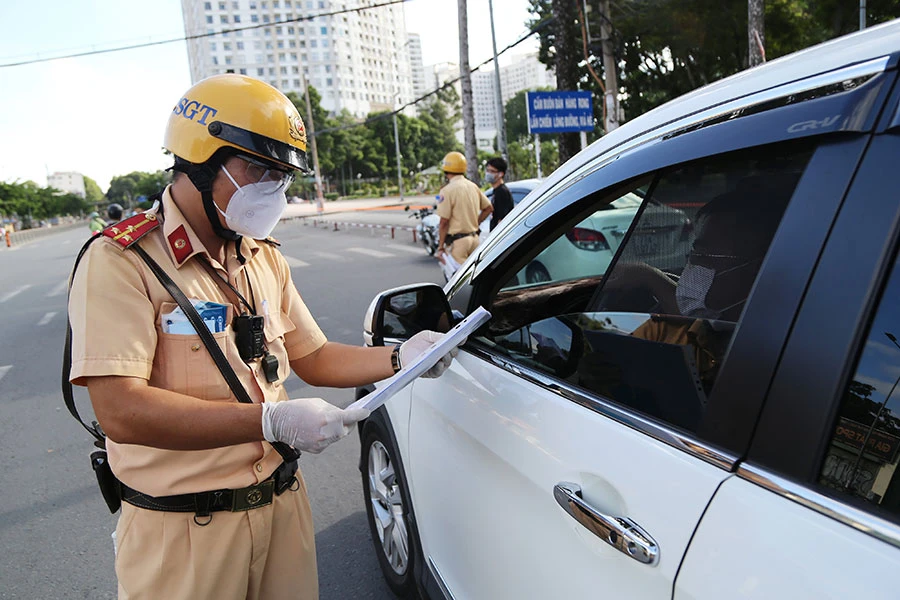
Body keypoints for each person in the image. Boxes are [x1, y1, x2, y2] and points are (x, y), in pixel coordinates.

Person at [67, 74, 459, 600]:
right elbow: (119, 410)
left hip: (281, 509)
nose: (274, 189)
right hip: (183, 534)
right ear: (201, 160)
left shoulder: (262, 255)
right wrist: (269, 419)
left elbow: (314, 356)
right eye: (260, 169)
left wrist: (399, 357)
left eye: (283, 176)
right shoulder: (122, 261)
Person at [435, 151, 493, 266]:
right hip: (475, 239)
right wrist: (476, 222)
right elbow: (488, 208)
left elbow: (444, 222)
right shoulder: (473, 186)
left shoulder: (447, 190)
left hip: (458, 243)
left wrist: (441, 247)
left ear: (446, 170)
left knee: (460, 281)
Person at [485, 156, 513, 231]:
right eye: (487, 170)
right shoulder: (496, 191)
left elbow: (502, 219)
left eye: (492, 171)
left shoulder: (502, 192)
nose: (488, 174)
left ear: (501, 174)